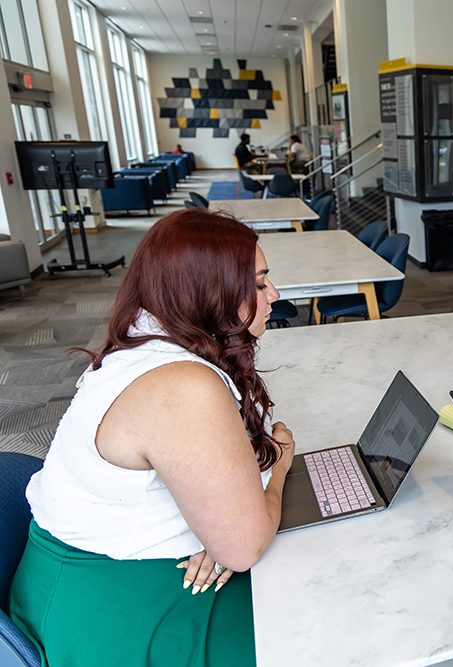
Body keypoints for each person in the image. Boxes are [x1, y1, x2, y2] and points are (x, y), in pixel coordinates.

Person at [9, 209, 294, 667]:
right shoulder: (180, 387)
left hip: (96, 575)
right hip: (109, 616)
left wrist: (215, 528)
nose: (274, 295)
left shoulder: (145, 342)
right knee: (312, 622)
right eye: (259, 284)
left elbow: (224, 526)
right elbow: (242, 548)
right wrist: (279, 463)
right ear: (209, 292)